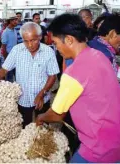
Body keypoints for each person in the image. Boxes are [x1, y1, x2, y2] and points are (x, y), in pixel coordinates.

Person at [36, 13, 120, 163]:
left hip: (98, 148)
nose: (57, 48)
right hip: (114, 139)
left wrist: (41, 117)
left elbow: (56, 114)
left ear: (69, 39)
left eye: (56, 43)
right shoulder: (99, 55)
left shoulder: (74, 72)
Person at [0, 22, 59, 128]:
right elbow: (4, 69)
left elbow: (52, 76)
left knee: (43, 127)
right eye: (26, 41)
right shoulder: (17, 50)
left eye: (33, 40)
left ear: (40, 37)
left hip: (42, 98)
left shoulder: (48, 52)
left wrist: (42, 93)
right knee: (24, 126)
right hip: (23, 99)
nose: (30, 45)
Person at [1, 14, 18, 82]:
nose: (16, 21)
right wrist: (6, 60)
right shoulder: (5, 32)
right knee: (9, 78)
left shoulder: (14, 30)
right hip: (8, 57)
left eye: (16, 20)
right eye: (15, 20)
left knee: (17, 75)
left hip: (15, 57)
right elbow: (3, 48)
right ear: (10, 21)